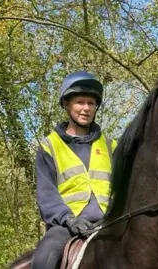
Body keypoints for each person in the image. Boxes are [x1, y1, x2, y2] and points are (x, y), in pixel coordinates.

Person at [31, 71, 117, 269]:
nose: (86, 108)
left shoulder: (111, 146)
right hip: (66, 226)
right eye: (80, 102)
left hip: (110, 222)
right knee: (43, 259)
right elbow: (47, 194)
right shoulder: (49, 146)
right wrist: (69, 219)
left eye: (91, 103)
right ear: (66, 105)